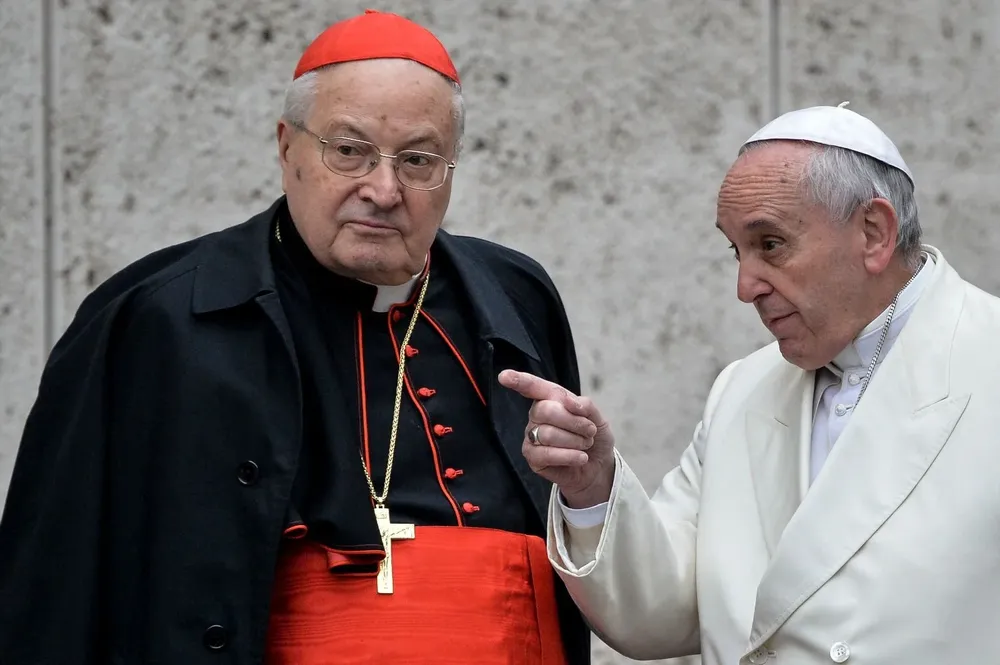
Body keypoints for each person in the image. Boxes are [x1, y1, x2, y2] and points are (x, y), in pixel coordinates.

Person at [0, 10, 592, 665]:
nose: (384, 189)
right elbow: (50, 584)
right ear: (287, 148)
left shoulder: (516, 295)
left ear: (450, 169)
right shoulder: (153, 316)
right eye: (349, 151)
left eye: (418, 160)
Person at [499, 103, 1000, 664]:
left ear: (873, 233)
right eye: (736, 251)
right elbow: (662, 611)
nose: (745, 287)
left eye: (771, 245)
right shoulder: (742, 389)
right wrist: (592, 487)